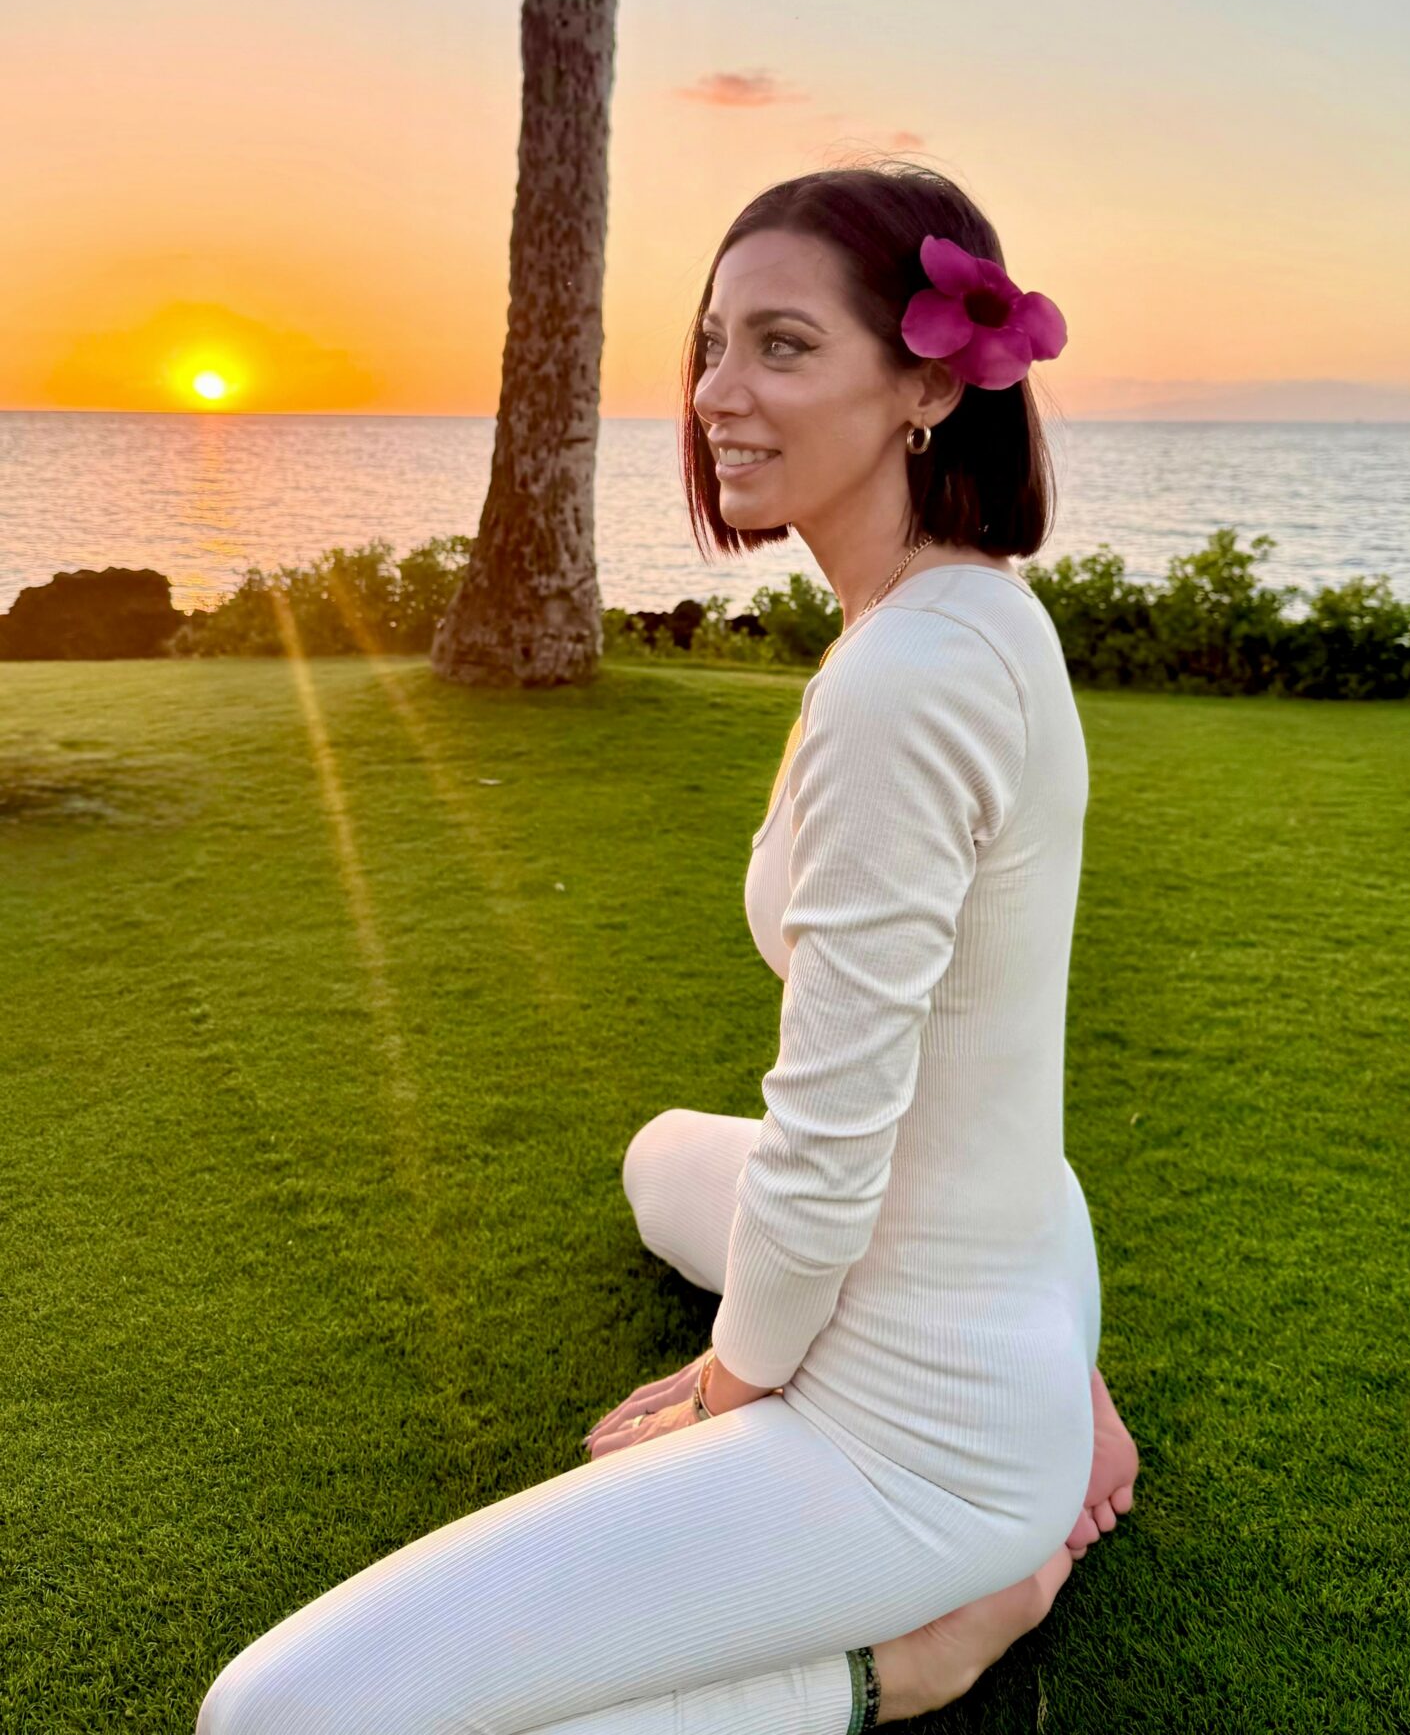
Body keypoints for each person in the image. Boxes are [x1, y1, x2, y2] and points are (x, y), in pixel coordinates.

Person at [196, 162, 1138, 1735]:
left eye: (783, 346)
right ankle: (1052, 1391)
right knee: (657, 1163)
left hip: (919, 1435)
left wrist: (728, 1385)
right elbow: (981, 1070)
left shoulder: (905, 686)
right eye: (713, 344)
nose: (714, 392)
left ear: (926, 387)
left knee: (271, 1719)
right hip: (1005, 1273)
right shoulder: (970, 614)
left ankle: (924, 1654)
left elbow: (831, 1147)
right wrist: (1069, 1372)